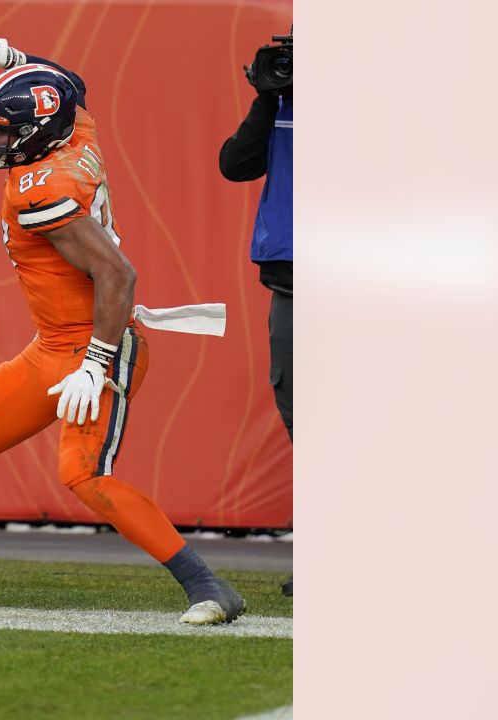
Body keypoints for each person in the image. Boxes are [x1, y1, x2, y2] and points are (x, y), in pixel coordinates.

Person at [0, 19, 244, 624]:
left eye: (3, 131)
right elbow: (71, 83)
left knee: (83, 474)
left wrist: (96, 362)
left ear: (38, 134)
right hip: (53, 346)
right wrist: (5, 56)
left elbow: (118, 275)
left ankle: (209, 586)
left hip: (99, 346)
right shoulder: (73, 127)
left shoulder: (43, 190)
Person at [219, 31, 293, 596]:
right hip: (291, 283)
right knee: (302, 417)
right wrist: (268, 96)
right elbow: (235, 165)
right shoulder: (283, 103)